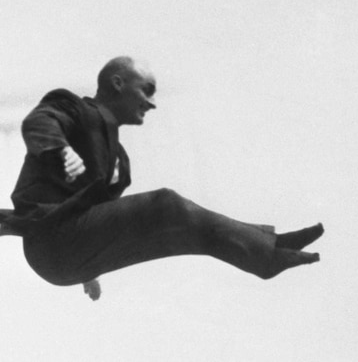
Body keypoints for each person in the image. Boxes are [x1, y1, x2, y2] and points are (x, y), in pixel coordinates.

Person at [0, 56, 323, 300]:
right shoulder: (74, 109)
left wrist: (90, 271)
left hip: (72, 260)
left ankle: (271, 246)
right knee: (166, 205)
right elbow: (41, 120)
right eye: (146, 90)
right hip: (51, 242)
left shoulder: (120, 164)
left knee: (172, 230)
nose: (152, 103)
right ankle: (266, 252)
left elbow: (100, 220)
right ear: (117, 83)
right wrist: (59, 149)